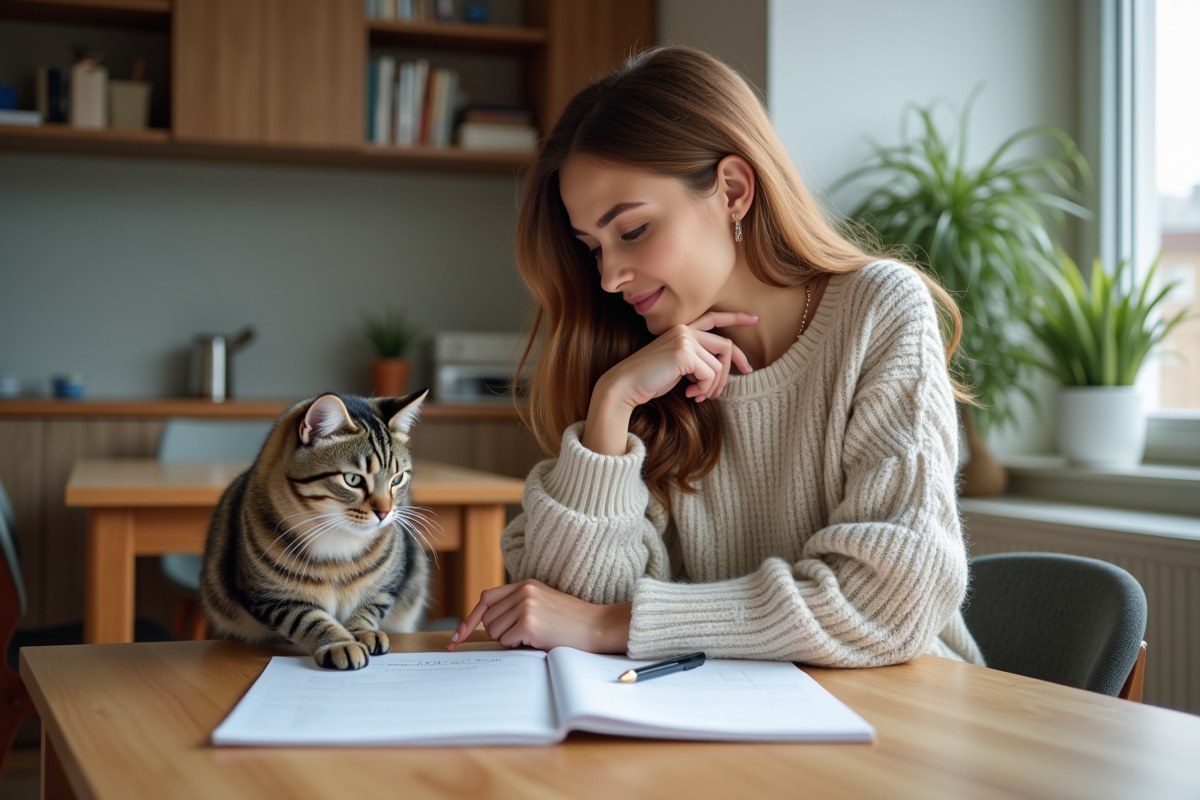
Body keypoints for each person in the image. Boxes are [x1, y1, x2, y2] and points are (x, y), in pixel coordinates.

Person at [447, 46, 984, 668]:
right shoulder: (641, 363)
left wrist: (613, 625)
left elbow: (891, 602)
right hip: (721, 729)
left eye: (633, 230)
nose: (610, 277)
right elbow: (558, 611)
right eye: (593, 247)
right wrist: (610, 409)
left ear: (732, 189)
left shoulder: (878, 310)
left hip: (899, 719)